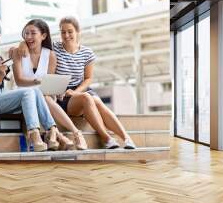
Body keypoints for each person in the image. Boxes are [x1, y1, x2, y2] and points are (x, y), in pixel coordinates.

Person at [16, 16, 136, 149]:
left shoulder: (87, 53)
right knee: (88, 99)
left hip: (80, 90)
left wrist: (75, 92)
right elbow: (34, 42)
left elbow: (89, 78)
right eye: (63, 32)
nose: (66, 35)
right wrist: (22, 44)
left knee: (96, 102)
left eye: (70, 31)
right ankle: (107, 138)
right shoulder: (54, 48)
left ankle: (126, 138)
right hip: (62, 93)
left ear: (78, 32)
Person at [0, 20, 62, 152]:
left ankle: (51, 129)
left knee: (35, 92)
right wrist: (1, 75)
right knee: (28, 92)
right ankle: (34, 135)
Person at [12, 19, 87, 150]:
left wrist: (56, 89)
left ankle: (57, 135)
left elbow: (48, 85)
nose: (29, 37)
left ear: (44, 36)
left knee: (45, 97)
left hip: (45, 95)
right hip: (24, 97)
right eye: (26, 33)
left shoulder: (51, 55)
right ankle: (68, 134)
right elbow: (19, 80)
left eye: (33, 33)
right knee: (43, 98)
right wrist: (37, 82)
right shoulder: (18, 52)